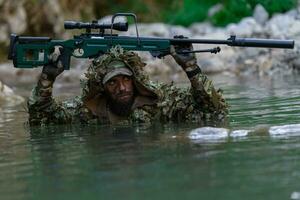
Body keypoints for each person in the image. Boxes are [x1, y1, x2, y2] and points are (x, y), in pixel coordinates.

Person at [28, 42, 228, 126]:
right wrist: (47, 79)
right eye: (113, 82)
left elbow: (213, 111)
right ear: (103, 88)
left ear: (135, 81)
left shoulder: (162, 104)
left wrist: (191, 69)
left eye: (126, 79)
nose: (122, 88)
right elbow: (41, 117)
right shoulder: (86, 113)